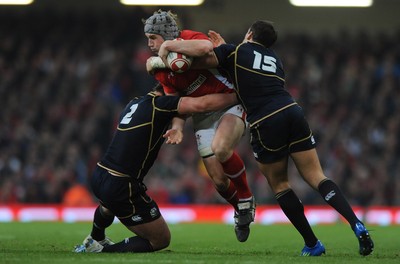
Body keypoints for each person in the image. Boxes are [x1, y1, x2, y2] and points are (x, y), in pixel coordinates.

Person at [152, 21, 375, 256]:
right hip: (293, 111)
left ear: (249, 34)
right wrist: (226, 47)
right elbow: (248, 72)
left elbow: (197, 61)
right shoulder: (275, 60)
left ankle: (312, 244)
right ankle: (356, 223)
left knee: (280, 185)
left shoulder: (235, 51)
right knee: (317, 176)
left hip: (266, 120)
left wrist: (160, 57)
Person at [74, 83, 239, 253]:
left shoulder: (135, 102)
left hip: (101, 173)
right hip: (121, 183)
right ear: (169, 92)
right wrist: (237, 96)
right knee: (160, 239)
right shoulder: (161, 104)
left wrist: (176, 127)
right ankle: (100, 251)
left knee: (108, 207)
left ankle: (95, 237)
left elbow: (179, 111)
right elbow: (201, 104)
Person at [143, 9, 255, 242]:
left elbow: (206, 47)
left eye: (153, 38)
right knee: (218, 180)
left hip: (228, 100)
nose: (150, 44)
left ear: (166, 35)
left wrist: (169, 48)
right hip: (203, 114)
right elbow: (179, 101)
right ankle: (242, 209)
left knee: (222, 148)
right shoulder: (162, 71)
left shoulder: (189, 37)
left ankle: (245, 197)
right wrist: (178, 127)